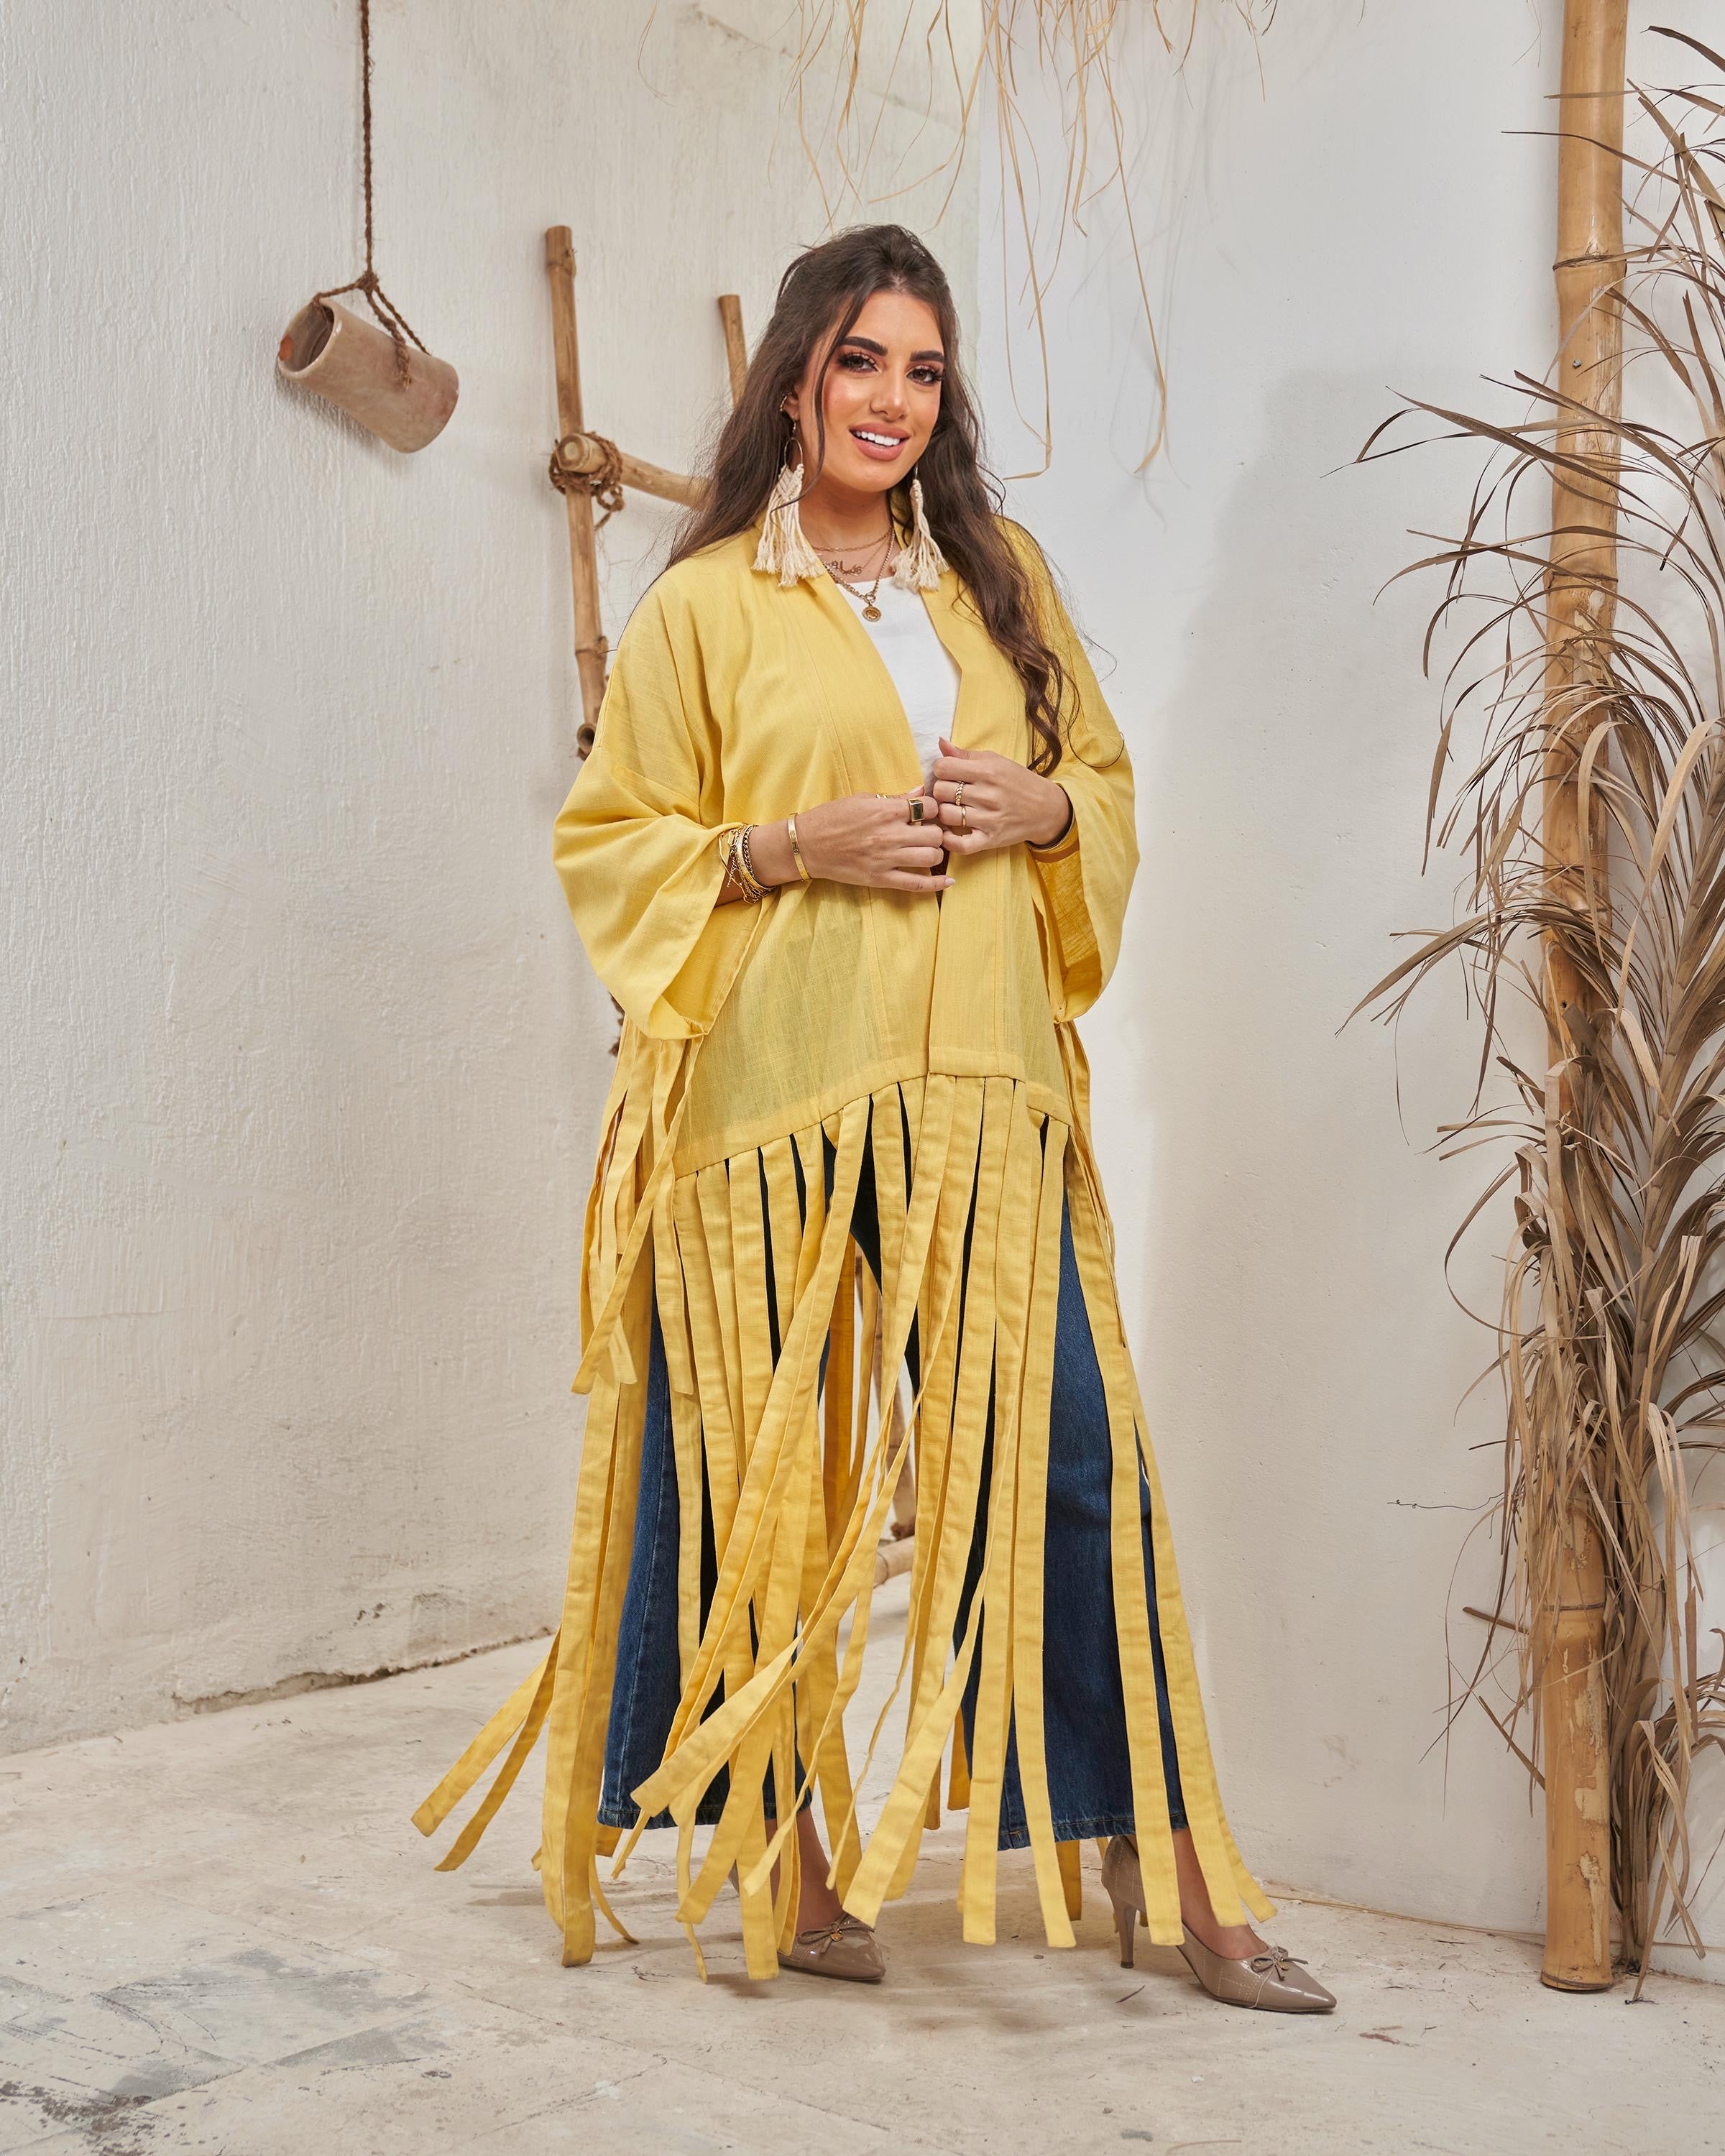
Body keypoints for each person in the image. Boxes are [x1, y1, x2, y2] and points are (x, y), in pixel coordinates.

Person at [414, 223, 1333, 2014]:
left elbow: (1098, 778)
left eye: (923, 367)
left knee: (1072, 1454)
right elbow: (612, 841)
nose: (893, 399)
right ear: (795, 381)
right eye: (859, 361)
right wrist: (789, 847)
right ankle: (784, 1847)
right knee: (752, 1475)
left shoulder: (996, 578)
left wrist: (1044, 818)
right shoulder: (704, 608)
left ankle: (1156, 1856)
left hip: (984, 1092)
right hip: (773, 1099)